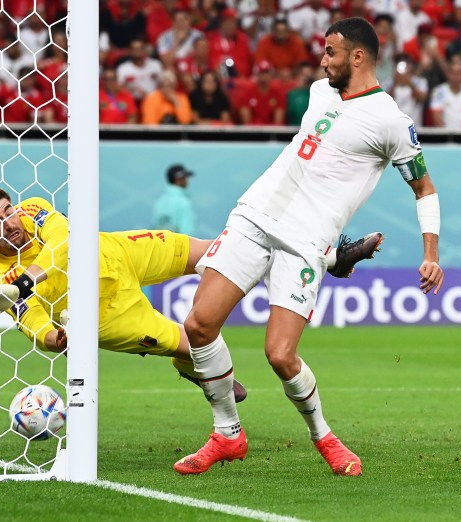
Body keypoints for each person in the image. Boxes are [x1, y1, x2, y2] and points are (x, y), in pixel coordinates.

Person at [174, 17, 443, 477]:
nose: (322, 60)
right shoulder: (321, 92)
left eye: (331, 52)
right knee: (199, 326)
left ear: (358, 56)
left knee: (280, 354)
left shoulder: (392, 122)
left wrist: (431, 254)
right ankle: (227, 434)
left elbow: (425, 190)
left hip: (304, 242)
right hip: (255, 215)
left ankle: (325, 436)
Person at [0, 188, 381, 400]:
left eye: (7, 211)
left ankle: (332, 258)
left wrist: (25, 282)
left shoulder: (32, 211)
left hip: (119, 252)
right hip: (107, 314)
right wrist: (58, 339)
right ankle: (201, 376)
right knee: (192, 347)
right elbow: (33, 325)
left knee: (227, 253)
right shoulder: (1, 280)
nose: (9, 222)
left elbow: (64, 240)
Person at [153, 164, 197, 236]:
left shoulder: (159, 202)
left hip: (162, 244)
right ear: (179, 179)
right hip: (180, 245)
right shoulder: (183, 202)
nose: (187, 180)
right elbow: (187, 232)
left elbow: (155, 228)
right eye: (185, 177)